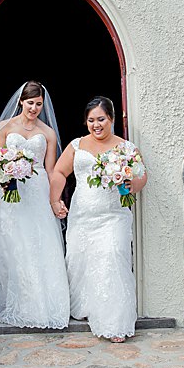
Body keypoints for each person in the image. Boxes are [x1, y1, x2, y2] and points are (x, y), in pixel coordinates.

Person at [49, 96, 148, 343]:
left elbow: (142, 176)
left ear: (111, 119)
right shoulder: (77, 146)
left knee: (113, 256)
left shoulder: (126, 147)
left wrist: (131, 184)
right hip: (82, 215)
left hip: (114, 215)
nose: (96, 124)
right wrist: (55, 200)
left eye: (101, 119)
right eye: (91, 120)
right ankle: (85, 308)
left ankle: (114, 322)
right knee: (79, 259)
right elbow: (60, 172)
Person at [0, 81, 70, 328]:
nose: (34, 108)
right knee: (11, 242)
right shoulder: (5, 127)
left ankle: (36, 301)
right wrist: (4, 178)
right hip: (9, 190)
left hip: (36, 189)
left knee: (36, 242)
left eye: (38, 104)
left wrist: (55, 199)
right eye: (30, 103)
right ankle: (5, 297)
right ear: (21, 102)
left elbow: (51, 170)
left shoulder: (48, 133)